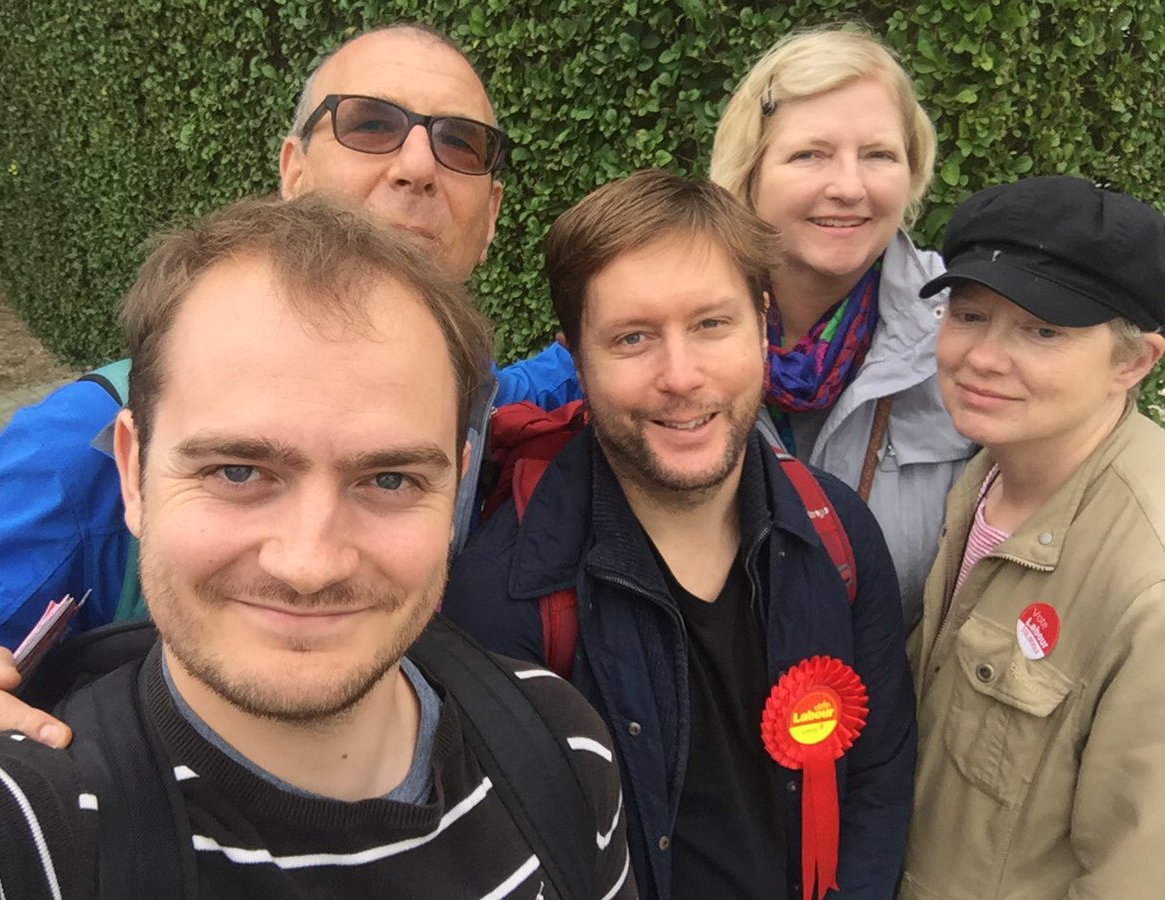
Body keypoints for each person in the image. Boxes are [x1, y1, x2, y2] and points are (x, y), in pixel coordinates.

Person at [0, 195, 633, 899]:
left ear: (456, 492)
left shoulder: (564, 746)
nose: (309, 565)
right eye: (238, 472)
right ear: (132, 471)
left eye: (389, 478)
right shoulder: (11, 832)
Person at [0, 23, 579, 656]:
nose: (419, 166)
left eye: (464, 144)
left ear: (492, 217)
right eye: (369, 124)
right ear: (295, 172)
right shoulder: (75, 448)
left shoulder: (473, 397)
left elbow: (534, 381)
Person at [443, 170, 915, 900]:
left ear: (761, 322)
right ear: (577, 358)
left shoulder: (839, 536)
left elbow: (878, 777)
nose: (681, 376)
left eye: (711, 324)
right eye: (632, 338)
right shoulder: (507, 595)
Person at [901, 176, 1165, 898]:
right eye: (970, 313)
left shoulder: (1149, 586)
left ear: (1132, 361)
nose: (983, 357)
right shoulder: (985, 473)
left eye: (1043, 330)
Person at [709, 27, 975, 626]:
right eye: (810, 154)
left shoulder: (970, 327)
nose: (850, 188)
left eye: (879, 155)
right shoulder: (679, 322)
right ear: (749, 172)